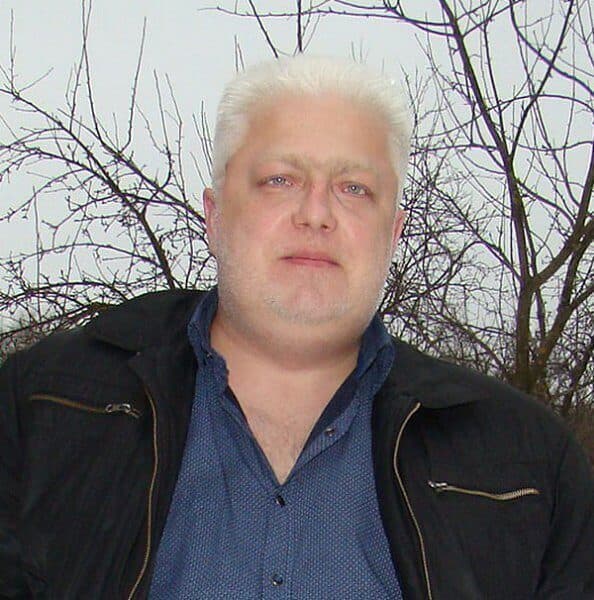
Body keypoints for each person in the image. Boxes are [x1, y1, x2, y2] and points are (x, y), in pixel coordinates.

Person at [0, 55, 592, 600]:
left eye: (354, 188)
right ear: (214, 216)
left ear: (393, 234)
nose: (316, 214)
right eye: (280, 179)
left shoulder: (530, 469)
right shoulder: (39, 408)